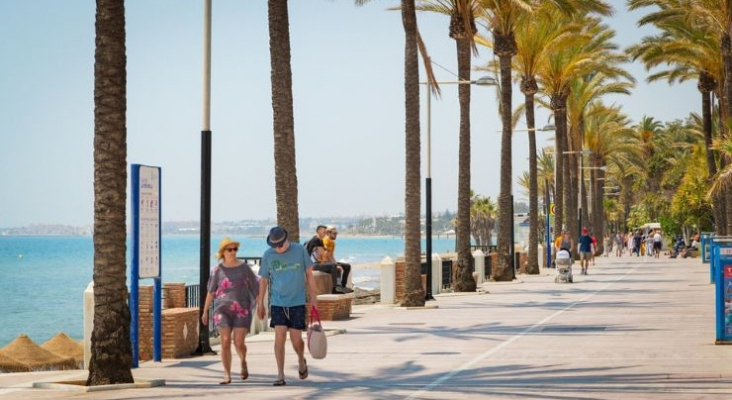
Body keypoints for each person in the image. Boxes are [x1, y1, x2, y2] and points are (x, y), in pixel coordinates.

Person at [256, 226, 318, 387]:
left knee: (296, 340)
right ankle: (280, 374)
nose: (278, 248)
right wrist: (260, 304)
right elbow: (263, 280)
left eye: (280, 244)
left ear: (286, 240)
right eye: (274, 245)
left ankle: (301, 360)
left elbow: (309, 275)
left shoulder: (299, 251)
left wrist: (314, 298)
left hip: (297, 302)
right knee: (280, 337)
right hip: (278, 303)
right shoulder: (268, 255)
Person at [201, 237, 259, 384]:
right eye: (230, 249)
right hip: (222, 309)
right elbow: (211, 291)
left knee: (238, 342)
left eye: (235, 249)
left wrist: (261, 307)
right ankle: (227, 374)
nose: (233, 252)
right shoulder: (217, 270)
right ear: (223, 252)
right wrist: (205, 311)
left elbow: (255, 288)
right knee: (225, 341)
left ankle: (243, 361)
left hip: (241, 309)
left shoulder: (245, 268)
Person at [322, 226, 352, 290]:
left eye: (336, 233)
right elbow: (325, 256)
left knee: (347, 266)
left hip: (330, 261)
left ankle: (344, 286)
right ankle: (338, 286)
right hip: (324, 262)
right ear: (329, 233)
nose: (336, 235)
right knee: (337, 268)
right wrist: (335, 265)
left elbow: (331, 256)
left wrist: (336, 263)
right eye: (334, 233)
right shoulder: (325, 240)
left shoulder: (332, 243)